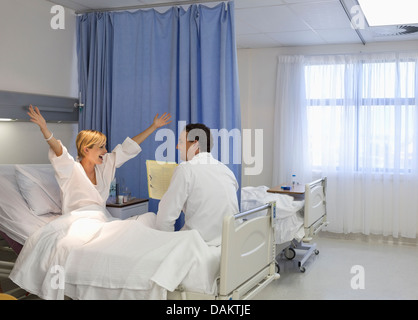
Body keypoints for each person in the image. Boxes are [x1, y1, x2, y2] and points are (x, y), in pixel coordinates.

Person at [27, 104, 172, 216]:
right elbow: (59, 150)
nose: (105, 151)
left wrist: (153, 127)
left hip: (100, 220)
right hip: (77, 222)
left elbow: (128, 148)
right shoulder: (71, 170)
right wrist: (44, 129)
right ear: (86, 150)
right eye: (101, 147)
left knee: (145, 221)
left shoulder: (104, 166)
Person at [155, 123, 239, 246]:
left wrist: (163, 248)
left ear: (195, 144)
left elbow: (164, 219)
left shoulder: (186, 169)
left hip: (199, 247)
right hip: (229, 246)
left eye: (181, 142)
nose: (178, 146)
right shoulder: (226, 171)